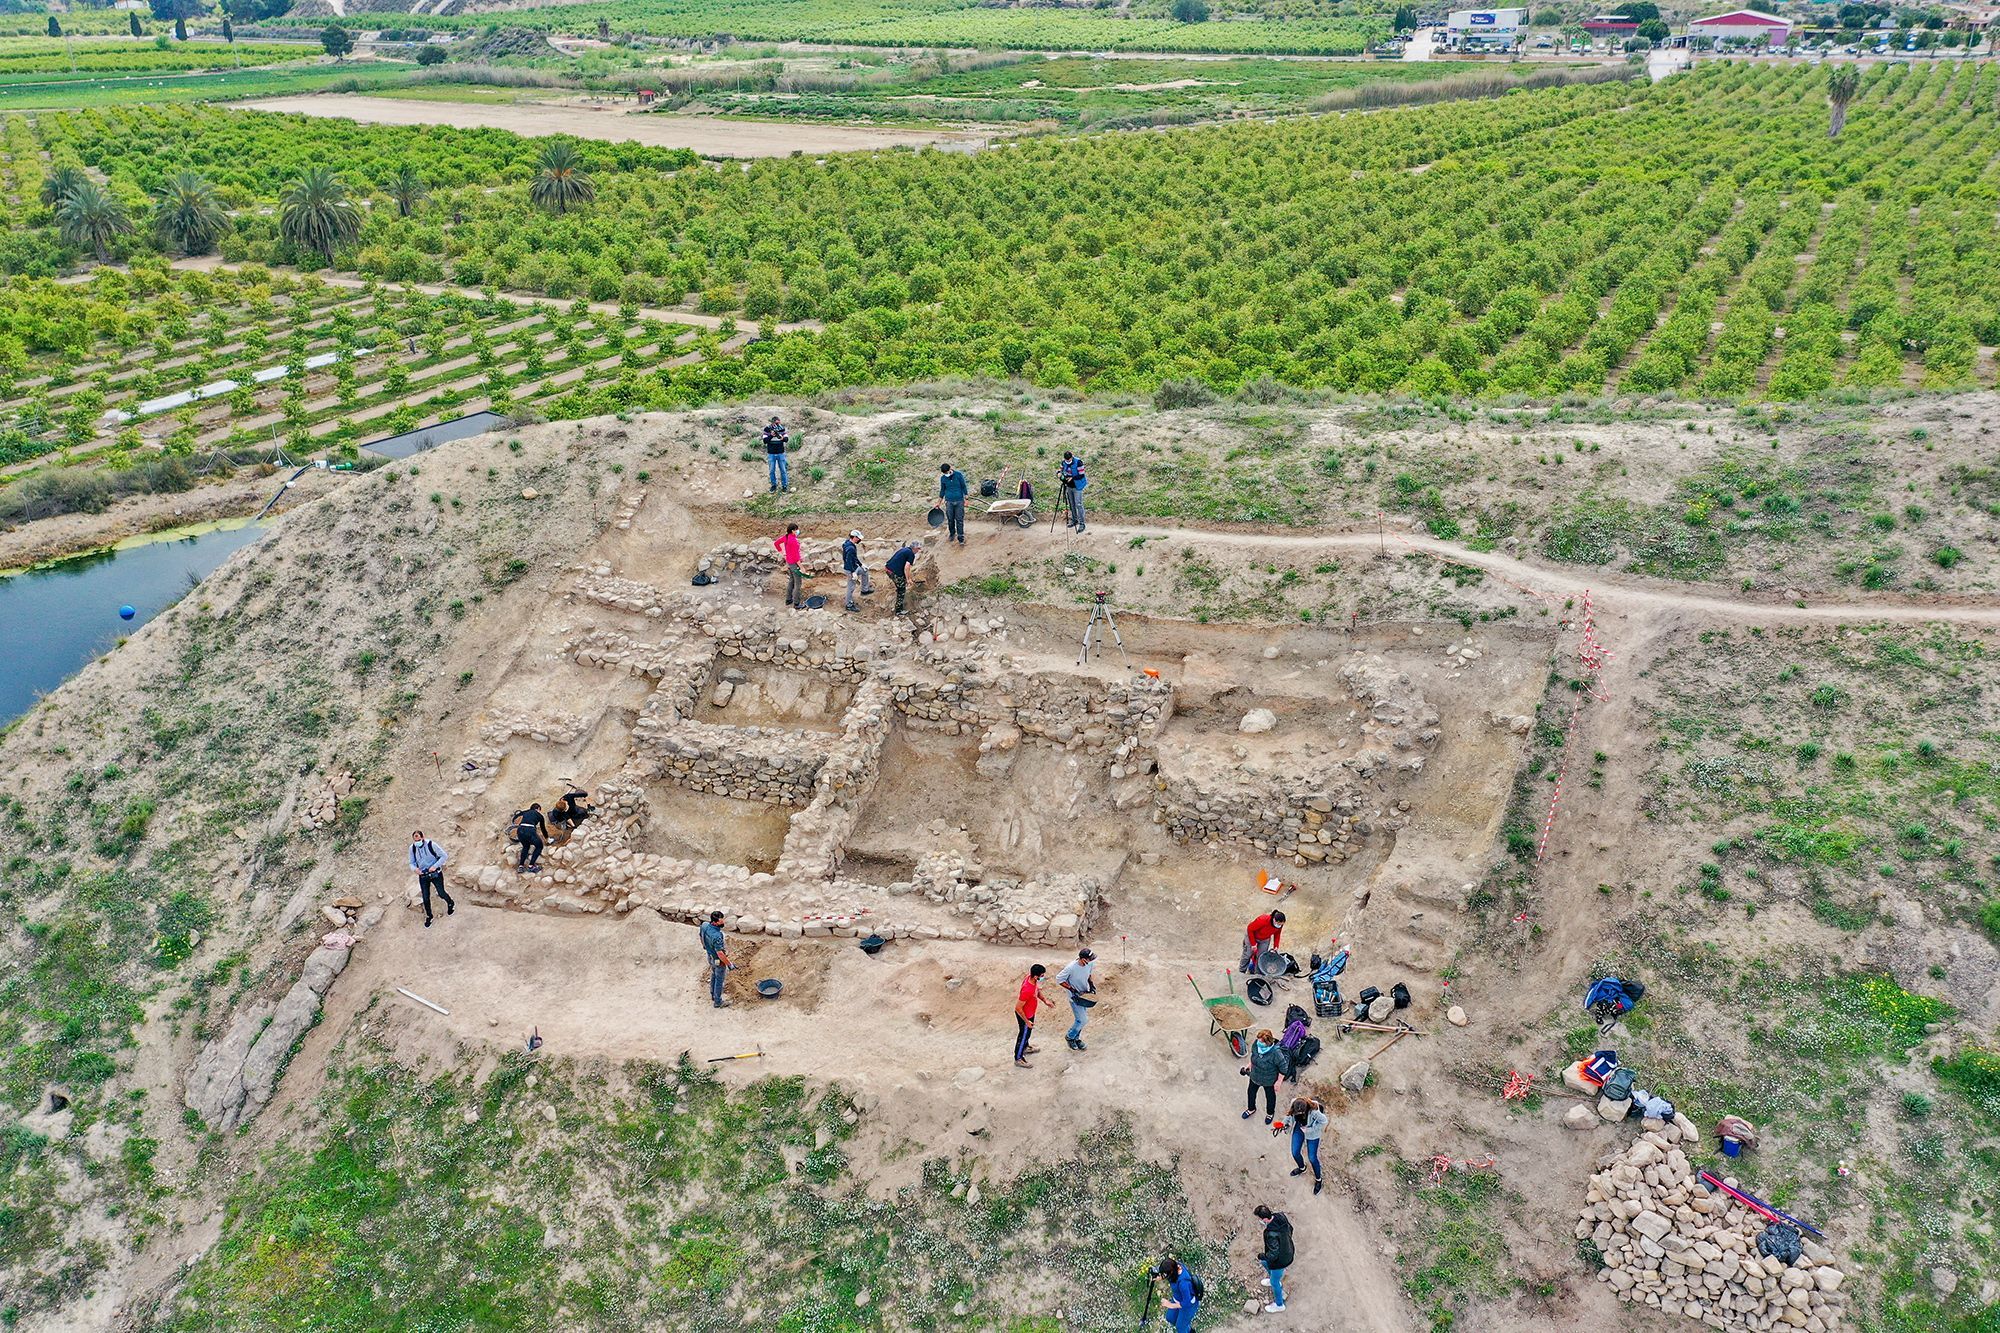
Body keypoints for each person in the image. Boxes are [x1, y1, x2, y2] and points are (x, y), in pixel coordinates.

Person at [1253, 1204, 1293, 1314]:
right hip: (1288, 1251)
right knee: (1264, 1262)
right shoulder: (1280, 1216)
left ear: (1265, 1219)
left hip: (1281, 1260)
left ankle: (1279, 1305)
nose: (1260, 1221)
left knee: (1275, 1281)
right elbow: (1291, 1229)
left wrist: (1262, 1255)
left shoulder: (1271, 1234)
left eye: (1260, 1219)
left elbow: (1273, 1255)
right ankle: (1273, 1279)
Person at [1055, 946, 1096, 1051]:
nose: (1091, 961)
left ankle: (1076, 1039)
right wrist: (1072, 989)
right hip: (1075, 997)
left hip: (1085, 995)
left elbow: (1089, 974)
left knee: (1081, 1020)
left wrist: (1091, 984)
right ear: (1083, 959)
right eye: (1089, 959)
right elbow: (1059, 979)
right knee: (1082, 1020)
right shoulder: (1071, 968)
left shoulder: (1089, 963)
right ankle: (1070, 1037)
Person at [409, 831, 452, 928]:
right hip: (423, 875)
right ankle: (429, 916)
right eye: (415, 840)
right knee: (425, 897)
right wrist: (415, 869)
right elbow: (411, 862)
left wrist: (435, 866)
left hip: (435, 873)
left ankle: (450, 903)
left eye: (419, 840)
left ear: (423, 837)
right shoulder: (412, 848)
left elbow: (444, 856)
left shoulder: (431, 845)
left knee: (441, 893)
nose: (417, 842)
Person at [1243, 1029, 1284, 1123]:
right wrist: (1249, 1065)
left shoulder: (1275, 1053)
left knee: (1270, 1097)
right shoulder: (1256, 1044)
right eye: (1258, 1040)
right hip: (1255, 1076)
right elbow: (1254, 1055)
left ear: (1268, 1042)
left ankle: (1270, 1113)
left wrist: (1278, 1082)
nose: (1258, 1043)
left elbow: (1283, 1067)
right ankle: (1251, 1109)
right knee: (1251, 1092)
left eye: (1261, 1042)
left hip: (1269, 1080)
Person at [1288, 1096, 1327, 1194]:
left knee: (1312, 1158)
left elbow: (1324, 1121)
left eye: (1301, 1113)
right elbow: (1289, 1116)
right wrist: (1285, 1125)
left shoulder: (1314, 1111)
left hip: (1312, 1132)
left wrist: (1309, 1130)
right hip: (1300, 1127)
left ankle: (1318, 1179)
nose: (1299, 1114)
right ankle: (1302, 1168)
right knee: (1295, 1152)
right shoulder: (1294, 1102)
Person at [1014, 962, 1047, 1068]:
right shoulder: (1027, 989)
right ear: (1036, 976)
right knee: (1023, 1036)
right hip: (1025, 1016)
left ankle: (1026, 1047)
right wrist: (1027, 1022)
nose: (1043, 978)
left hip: (1030, 1013)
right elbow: (1018, 1008)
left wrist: (1045, 1000)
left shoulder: (1031, 978)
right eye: (1041, 976)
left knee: (1027, 1034)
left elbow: (1036, 991)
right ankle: (1018, 1058)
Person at [1155, 1257, 1199, 1333]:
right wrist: (1160, 1277)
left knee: (1180, 1328)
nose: (1164, 1276)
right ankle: (1185, 1326)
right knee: (1170, 1318)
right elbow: (1168, 1273)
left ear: (1171, 1273)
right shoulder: (1175, 1266)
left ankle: (1188, 1330)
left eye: (1165, 1275)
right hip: (1178, 1299)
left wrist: (1169, 1304)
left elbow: (1187, 1303)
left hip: (1188, 1306)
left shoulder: (1183, 1283)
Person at [699, 909, 730, 1009]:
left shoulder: (705, 925)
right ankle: (718, 1002)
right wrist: (729, 964)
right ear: (715, 922)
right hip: (718, 960)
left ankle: (713, 994)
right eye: (721, 921)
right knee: (719, 980)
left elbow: (701, 936)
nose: (723, 922)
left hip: (710, 956)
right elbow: (720, 954)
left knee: (714, 974)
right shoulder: (717, 936)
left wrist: (705, 946)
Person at [1242, 909, 1286, 975]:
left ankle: (1257, 974)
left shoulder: (1280, 925)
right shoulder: (1263, 920)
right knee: (1247, 954)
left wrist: (1276, 946)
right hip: (1252, 936)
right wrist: (1253, 944)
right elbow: (1250, 929)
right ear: (1274, 920)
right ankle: (1241, 972)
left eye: (1281, 924)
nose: (1280, 925)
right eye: (1279, 924)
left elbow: (1277, 934)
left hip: (1265, 939)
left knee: (1260, 957)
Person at [885, 539, 921, 617]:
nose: (919, 550)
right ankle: (898, 610)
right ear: (914, 548)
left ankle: (899, 586)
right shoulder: (911, 554)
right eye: (918, 548)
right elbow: (907, 567)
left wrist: (908, 577)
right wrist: (908, 579)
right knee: (902, 590)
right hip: (894, 572)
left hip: (888, 568)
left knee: (901, 582)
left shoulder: (905, 549)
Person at [841, 529, 874, 612]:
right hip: (850, 570)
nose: (860, 540)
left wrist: (861, 565)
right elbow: (848, 560)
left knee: (865, 571)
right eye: (858, 538)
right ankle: (848, 604)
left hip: (854, 567)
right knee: (851, 587)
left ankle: (864, 590)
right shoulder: (850, 548)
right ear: (854, 537)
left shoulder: (848, 543)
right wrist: (853, 573)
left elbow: (854, 558)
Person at [774, 522, 804, 610]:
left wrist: (782, 552)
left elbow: (776, 543)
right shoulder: (793, 541)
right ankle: (796, 603)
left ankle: (788, 599)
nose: (797, 531)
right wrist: (801, 567)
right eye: (796, 530)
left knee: (791, 580)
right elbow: (796, 557)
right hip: (794, 564)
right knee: (798, 583)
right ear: (792, 531)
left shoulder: (786, 537)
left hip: (789, 563)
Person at [511, 802, 547, 873]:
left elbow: (514, 819)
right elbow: (543, 829)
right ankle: (531, 866)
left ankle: (521, 866)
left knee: (526, 846)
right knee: (539, 846)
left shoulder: (525, 812)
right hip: (530, 831)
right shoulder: (539, 815)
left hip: (520, 830)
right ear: (538, 809)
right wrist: (547, 838)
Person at [939, 462, 968, 545]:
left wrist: (966, 498)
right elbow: (942, 490)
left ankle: (961, 537)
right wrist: (939, 502)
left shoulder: (958, 475)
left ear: (950, 469)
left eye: (946, 472)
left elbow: (963, 486)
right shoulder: (943, 479)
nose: (946, 474)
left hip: (959, 500)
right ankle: (952, 533)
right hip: (949, 501)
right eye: (944, 473)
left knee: (959, 520)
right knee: (950, 519)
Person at [762, 415, 789, 492]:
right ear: (772, 422)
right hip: (771, 453)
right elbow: (765, 441)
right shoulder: (767, 429)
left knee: (783, 470)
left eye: (779, 422)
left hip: (781, 452)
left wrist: (782, 438)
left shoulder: (782, 428)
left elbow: (786, 439)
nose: (778, 424)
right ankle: (773, 485)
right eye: (776, 423)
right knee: (771, 470)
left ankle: (784, 485)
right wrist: (771, 435)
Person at [1058, 451, 1080, 528]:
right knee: (1071, 504)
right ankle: (1074, 520)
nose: (1067, 461)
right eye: (1066, 460)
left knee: (1079, 504)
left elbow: (1081, 474)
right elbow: (1060, 470)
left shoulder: (1078, 462)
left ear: (1072, 457)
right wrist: (1059, 473)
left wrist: (1072, 477)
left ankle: (1081, 523)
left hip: (1077, 486)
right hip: (1068, 486)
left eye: (1069, 460)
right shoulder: (1063, 462)